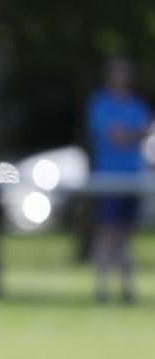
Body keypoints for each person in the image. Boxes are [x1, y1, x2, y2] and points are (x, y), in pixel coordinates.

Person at [86, 58, 152, 303]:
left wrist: (131, 133)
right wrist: (135, 133)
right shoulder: (101, 104)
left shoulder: (137, 105)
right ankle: (101, 289)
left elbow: (145, 132)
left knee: (125, 234)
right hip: (108, 177)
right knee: (107, 232)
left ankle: (126, 290)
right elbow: (117, 136)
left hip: (132, 177)